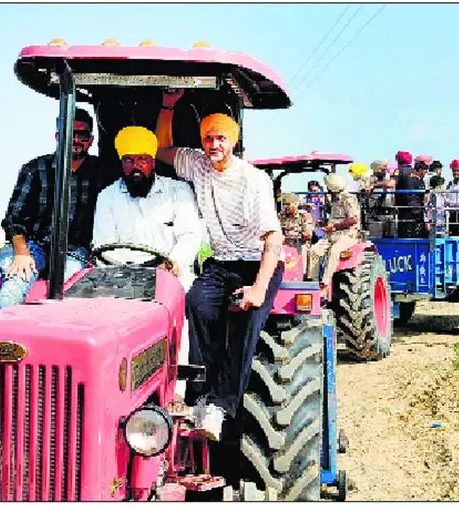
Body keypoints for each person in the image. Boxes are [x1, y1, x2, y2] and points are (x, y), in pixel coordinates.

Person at [155, 88, 284, 441]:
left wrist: (258, 289)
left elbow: (273, 240)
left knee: (244, 328)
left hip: (257, 263)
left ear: (234, 142)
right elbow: (161, 150)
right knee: (196, 304)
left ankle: (221, 407)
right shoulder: (197, 164)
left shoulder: (253, 180)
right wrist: (167, 106)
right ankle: (199, 397)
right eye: (209, 138)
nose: (214, 145)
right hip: (221, 261)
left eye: (221, 138)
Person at [0, 108, 111, 310]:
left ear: (91, 140)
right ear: (58, 136)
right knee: (15, 284)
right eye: (69, 134)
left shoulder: (102, 172)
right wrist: (22, 253)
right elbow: (14, 218)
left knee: (69, 291)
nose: (75, 140)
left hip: (77, 251)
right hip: (34, 246)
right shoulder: (35, 169)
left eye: (82, 135)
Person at [92, 126, 202, 291]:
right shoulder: (107, 196)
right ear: (121, 163)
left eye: (142, 159)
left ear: (153, 162)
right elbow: (104, 244)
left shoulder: (178, 191)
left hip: (171, 274)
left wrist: (172, 264)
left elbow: (189, 237)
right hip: (122, 277)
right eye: (129, 160)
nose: (135, 166)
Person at [308, 173, 361, 295]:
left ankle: (325, 284)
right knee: (314, 251)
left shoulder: (348, 199)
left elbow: (353, 219)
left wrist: (335, 226)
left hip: (348, 234)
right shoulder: (334, 199)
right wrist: (324, 222)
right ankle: (313, 282)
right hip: (332, 234)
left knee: (334, 251)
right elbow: (336, 218)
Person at [279, 192, 315, 278]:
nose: (285, 207)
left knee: (303, 250)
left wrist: (298, 234)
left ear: (296, 204)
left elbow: (308, 235)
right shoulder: (281, 216)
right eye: (284, 204)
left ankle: (302, 276)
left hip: (299, 243)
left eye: (288, 204)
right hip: (285, 244)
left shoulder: (304, 216)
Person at [394, 150, 427, 238]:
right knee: (416, 234)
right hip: (418, 209)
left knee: (404, 234)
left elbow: (391, 183)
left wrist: (374, 185)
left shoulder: (399, 170)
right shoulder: (416, 173)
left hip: (405, 209)